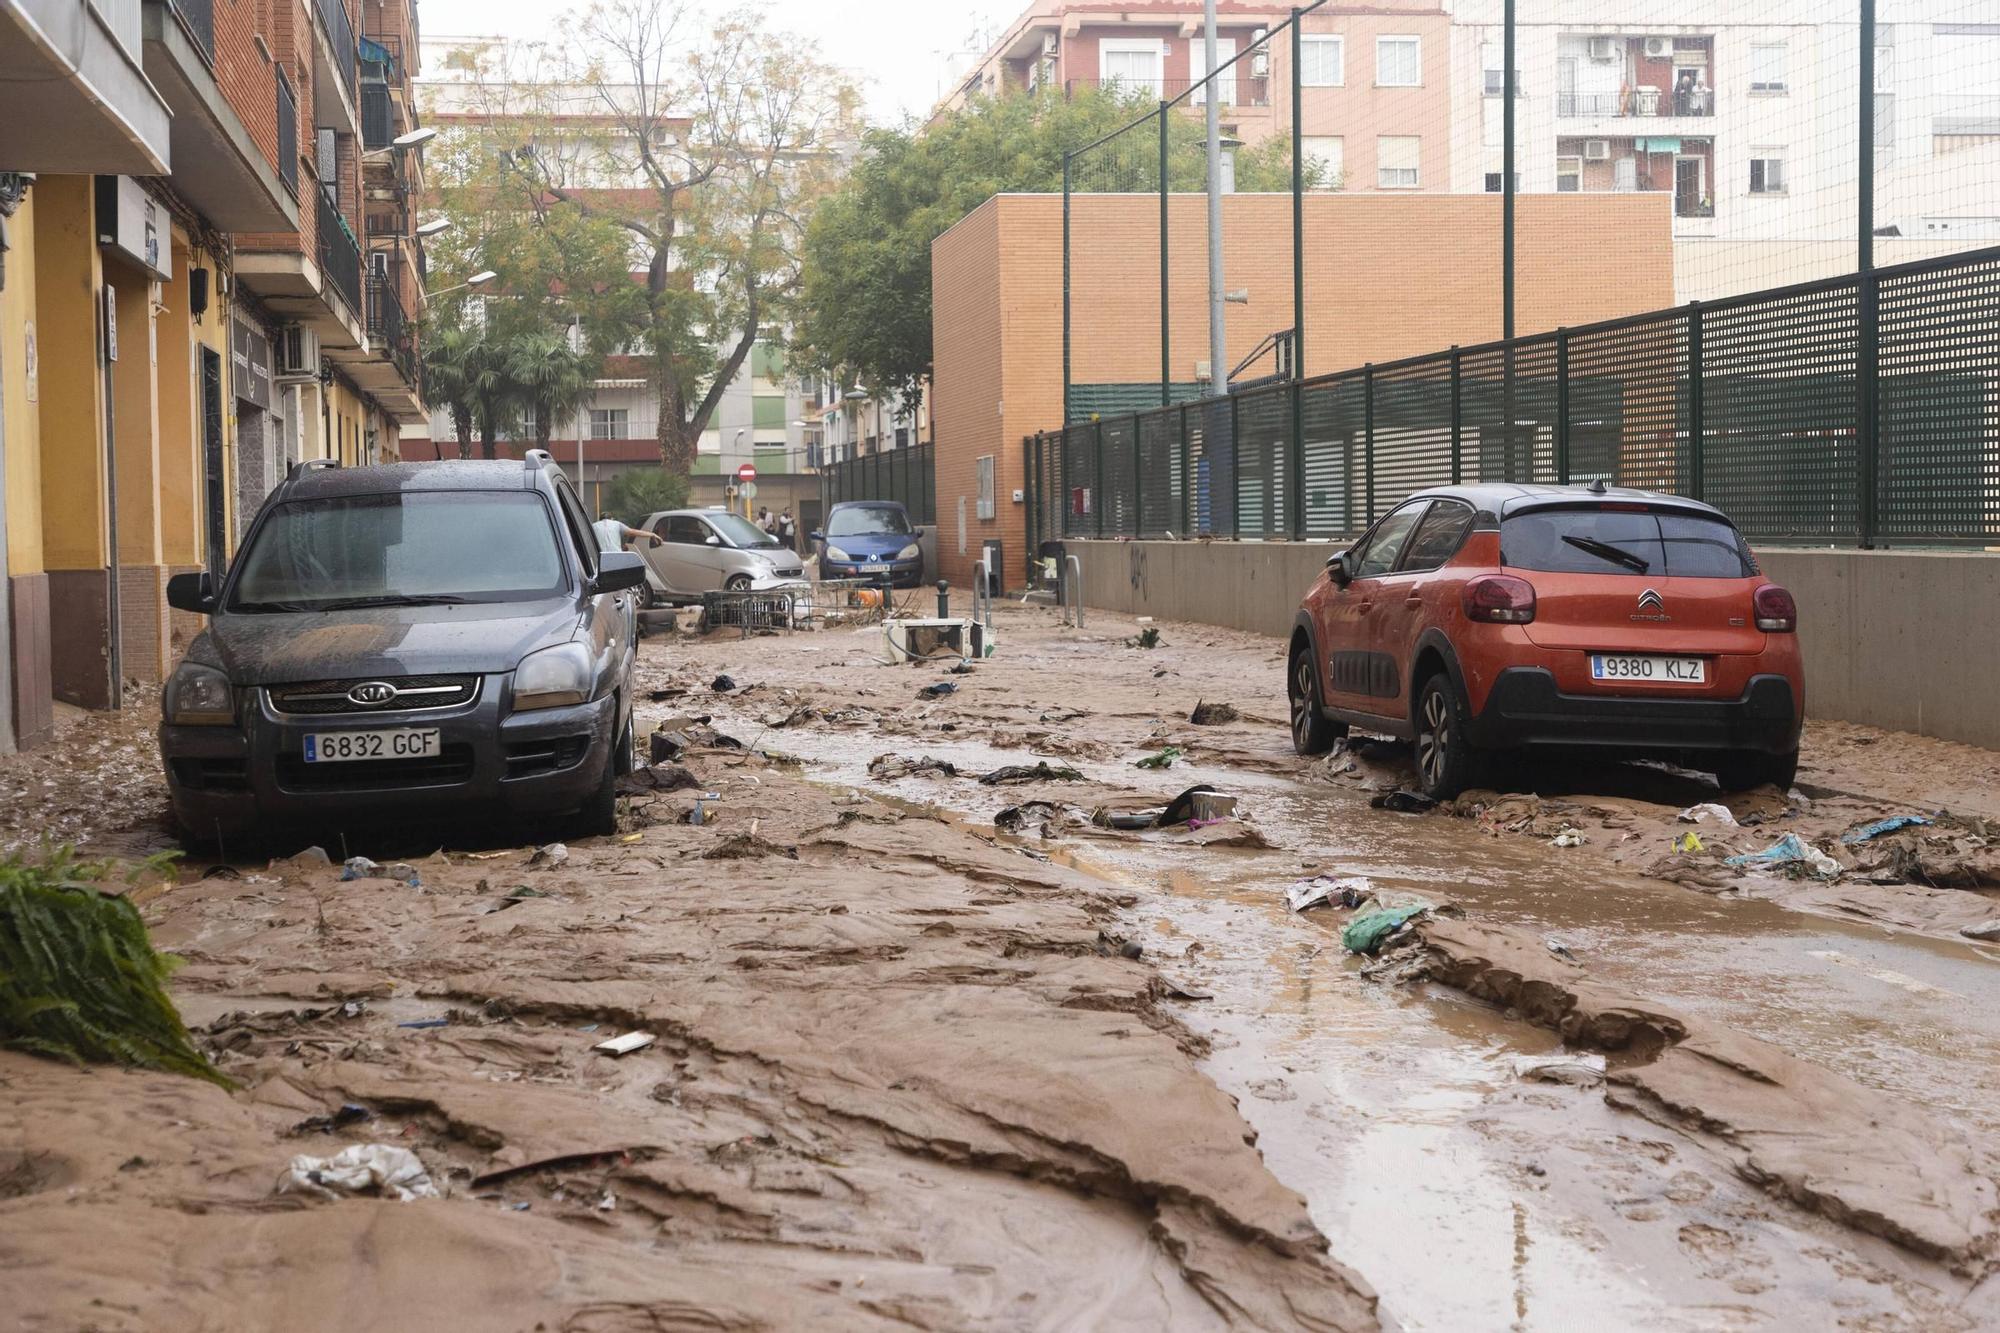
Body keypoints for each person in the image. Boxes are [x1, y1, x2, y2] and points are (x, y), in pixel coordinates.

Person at [593, 513, 663, 555]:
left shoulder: (593, 526)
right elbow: (633, 532)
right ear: (612, 519)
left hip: (598, 558)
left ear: (599, 520)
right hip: (615, 557)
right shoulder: (616, 524)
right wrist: (652, 534)